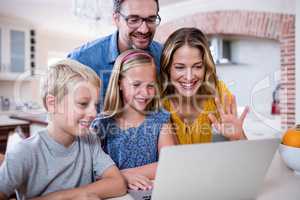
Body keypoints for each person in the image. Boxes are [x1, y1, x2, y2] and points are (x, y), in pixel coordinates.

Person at [0, 59, 126, 199]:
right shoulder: (23, 153)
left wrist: (61, 197)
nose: (94, 113)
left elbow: (118, 183)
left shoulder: (90, 140)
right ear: (52, 104)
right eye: (83, 104)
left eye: (95, 105)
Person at [92, 49, 176, 191]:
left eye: (150, 86)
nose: (145, 93)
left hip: (150, 192)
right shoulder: (102, 123)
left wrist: (122, 174)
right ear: (119, 83)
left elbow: (170, 164)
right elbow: (92, 171)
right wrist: (121, 178)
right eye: (136, 85)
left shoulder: (160, 119)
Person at [160, 27, 249, 144]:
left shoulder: (217, 91)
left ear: (206, 67)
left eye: (197, 66)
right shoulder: (159, 97)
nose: (189, 77)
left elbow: (245, 153)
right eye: (180, 67)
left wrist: (238, 136)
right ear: (168, 68)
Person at [68, 0, 162, 99]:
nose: (144, 29)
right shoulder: (81, 60)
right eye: (133, 20)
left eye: (151, 20)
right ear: (116, 19)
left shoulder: (163, 56)